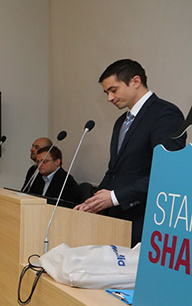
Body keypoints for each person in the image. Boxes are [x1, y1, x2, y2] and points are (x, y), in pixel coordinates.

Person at [76, 59, 185, 244]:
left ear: (135, 81)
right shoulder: (121, 122)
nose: (110, 98)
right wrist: (92, 203)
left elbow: (168, 173)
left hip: (147, 220)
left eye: (113, 90)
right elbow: (114, 171)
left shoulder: (165, 113)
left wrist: (114, 197)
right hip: (118, 220)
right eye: (106, 93)